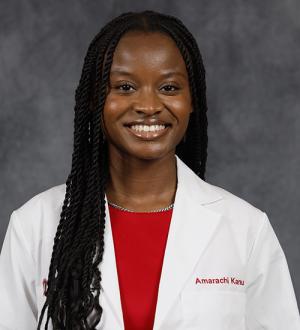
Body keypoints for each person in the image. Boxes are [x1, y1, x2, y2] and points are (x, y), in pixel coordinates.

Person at [0, 9, 299, 330]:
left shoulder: (246, 229)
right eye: (125, 87)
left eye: (169, 88)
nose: (149, 106)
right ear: (93, 98)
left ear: (192, 100)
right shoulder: (34, 226)